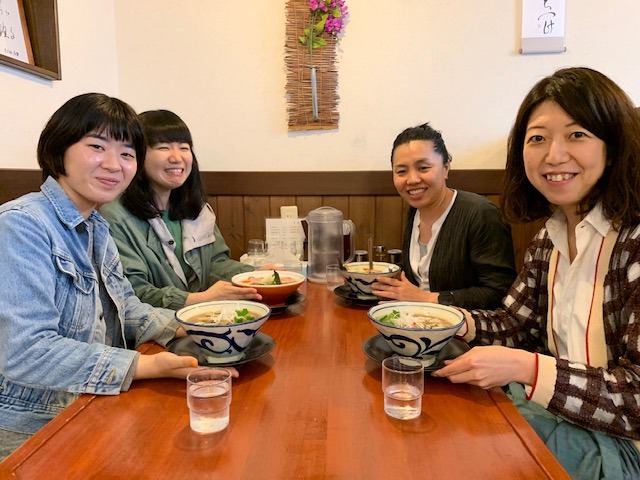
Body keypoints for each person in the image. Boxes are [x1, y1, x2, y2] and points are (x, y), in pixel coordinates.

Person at [433, 67, 640, 479]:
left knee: (460, 447)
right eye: (538, 138)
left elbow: (635, 398)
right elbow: (517, 325)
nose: (554, 155)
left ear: (614, 144)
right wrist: (445, 321)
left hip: (624, 447)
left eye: (577, 134)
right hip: (564, 417)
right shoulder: (551, 236)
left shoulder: (632, 241)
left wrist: (527, 368)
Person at [0, 94, 204, 461]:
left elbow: (126, 307)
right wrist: (143, 365)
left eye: (127, 153)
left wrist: (194, 324)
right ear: (59, 149)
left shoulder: (96, 224)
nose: (114, 164)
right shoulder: (21, 225)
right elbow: (26, 352)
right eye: (97, 146)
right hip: (33, 428)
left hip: (91, 403)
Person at [100, 110, 260, 311]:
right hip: (157, 327)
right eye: (163, 147)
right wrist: (198, 299)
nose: (177, 157)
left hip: (203, 319)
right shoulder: (115, 217)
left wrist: (256, 275)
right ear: (137, 156)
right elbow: (133, 293)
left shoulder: (197, 209)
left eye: (184, 147)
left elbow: (215, 264)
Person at [372, 123, 517, 309]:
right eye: (401, 171)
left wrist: (426, 298)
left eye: (423, 168)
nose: (412, 179)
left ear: (446, 168)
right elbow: (420, 274)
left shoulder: (481, 214)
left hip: (465, 324)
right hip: (415, 318)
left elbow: (499, 291)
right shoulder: (415, 210)